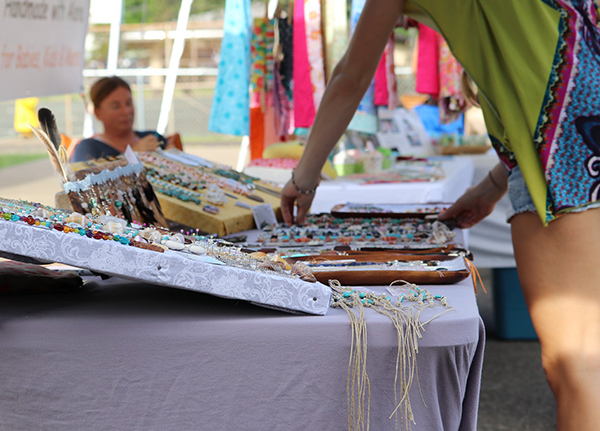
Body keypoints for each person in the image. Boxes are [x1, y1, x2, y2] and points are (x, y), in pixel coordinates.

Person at [280, 1, 600, 430]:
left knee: (578, 367)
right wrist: (493, 184)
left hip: (570, 158)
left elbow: (350, 77)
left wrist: (303, 181)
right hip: (571, 148)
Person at [70, 76, 177, 163]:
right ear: (98, 113)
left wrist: (174, 157)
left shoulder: (154, 138)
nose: (126, 111)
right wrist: (131, 157)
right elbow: (85, 183)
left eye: (128, 103)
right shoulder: (88, 149)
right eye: (115, 106)